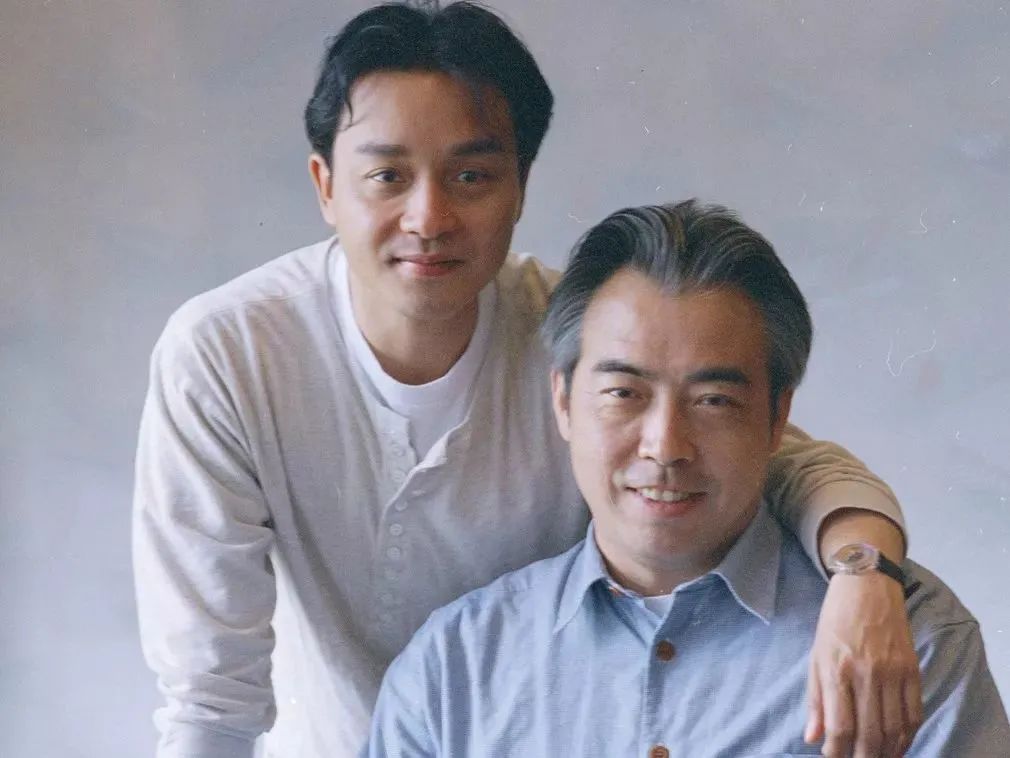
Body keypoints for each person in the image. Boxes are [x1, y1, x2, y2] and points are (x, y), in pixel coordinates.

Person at [133, 4, 918, 757]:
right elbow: (210, 698)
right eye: (388, 175)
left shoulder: (580, 334)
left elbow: (774, 455)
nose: (429, 218)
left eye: (472, 175)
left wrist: (865, 577)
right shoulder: (229, 354)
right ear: (326, 185)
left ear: (520, 186)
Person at [365, 200, 1010, 757]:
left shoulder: (911, 644)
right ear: (562, 401)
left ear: (777, 416)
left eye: (713, 401)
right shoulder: (454, 669)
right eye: (624, 393)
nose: (665, 446)